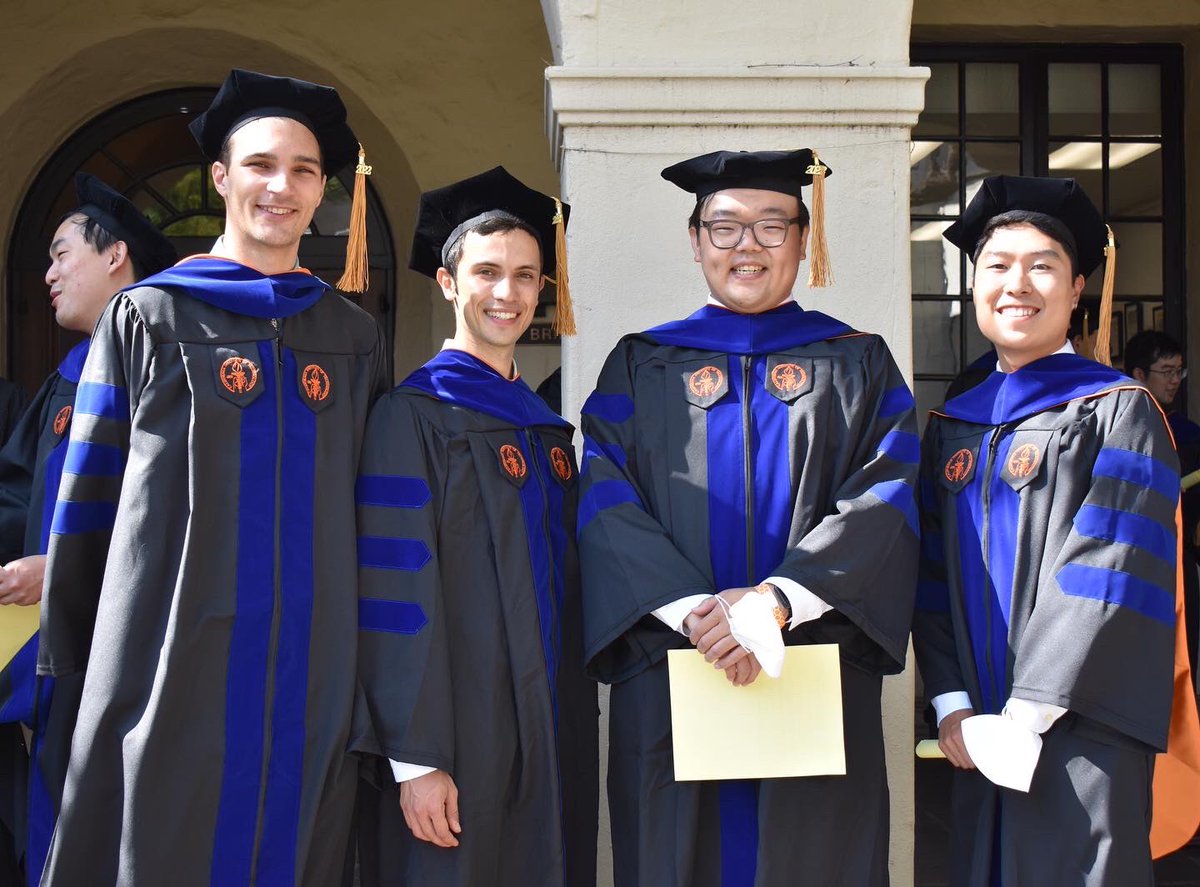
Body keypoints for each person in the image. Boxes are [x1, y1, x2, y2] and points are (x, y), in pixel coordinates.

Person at [38, 69, 388, 886]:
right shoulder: (150, 316)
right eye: (261, 165)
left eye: (304, 170)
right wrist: (82, 663)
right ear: (222, 179)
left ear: (323, 188)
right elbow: (86, 499)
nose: (282, 186)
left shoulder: (349, 336)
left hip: (314, 674)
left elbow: (374, 516)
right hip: (166, 660)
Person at [578, 148, 919, 886]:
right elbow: (605, 493)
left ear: (804, 238)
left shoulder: (858, 362)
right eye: (725, 227)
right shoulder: (641, 363)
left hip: (810, 663)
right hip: (675, 664)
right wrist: (697, 614)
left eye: (772, 225)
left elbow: (884, 495)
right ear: (695, 241)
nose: (748, 246)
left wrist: (776, 602)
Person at [913, 175, 1200, 885]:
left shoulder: (1119, 411)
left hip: (1083, 732)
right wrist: (952, 704)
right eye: (998, 266)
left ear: (1076, 291)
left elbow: (1109, 563)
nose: (1018, 284)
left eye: (1042, 266)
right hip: (979, 732)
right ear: (974, 286)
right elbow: (930, 575)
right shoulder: (956, 422)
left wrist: (1029, 708)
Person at [353, 166, 597, 886]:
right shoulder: (412, 417)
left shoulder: (549, 431)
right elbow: (389, 595)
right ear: (448, 283)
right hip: (458, 730)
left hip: (552, 717)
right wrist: (416, 757)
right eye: (487, 271)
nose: (508, 293)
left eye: (526, 276)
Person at [0, 172, 175, 885]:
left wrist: (66, 570)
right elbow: (16, 493)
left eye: (60, 252)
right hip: (51, 648)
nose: (48, 273)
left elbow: (172, 516)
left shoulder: (162, 373)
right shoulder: (64, 382)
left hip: (126, 651)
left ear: (115, 256)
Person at [1126, 330, 1199, 677]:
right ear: (1139, 374)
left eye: (1179, 371)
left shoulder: (1187, 434)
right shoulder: (1118, 426)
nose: (1175, 381)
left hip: (1178, 558)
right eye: (1166, 371)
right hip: (1131, 562)